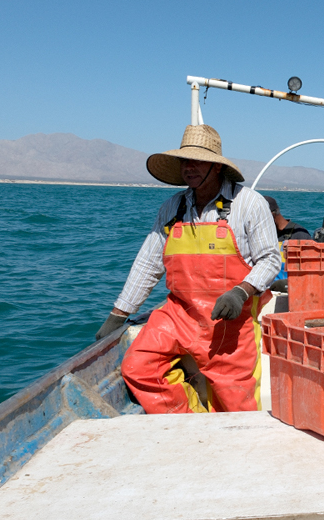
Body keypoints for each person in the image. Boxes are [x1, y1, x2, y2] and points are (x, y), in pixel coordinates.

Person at [94, 123, 281, 413]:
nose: (188, 167)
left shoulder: (250, 204)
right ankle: (190, 419)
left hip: (230, 322)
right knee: (138, 367)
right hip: (178, 315)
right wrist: (119, 314)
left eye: (197, 160)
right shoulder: (172, 207)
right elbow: (148, 263)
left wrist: (240, 292)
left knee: (235, 405)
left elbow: (270, 259)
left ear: (217, 167)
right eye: (184, 161)